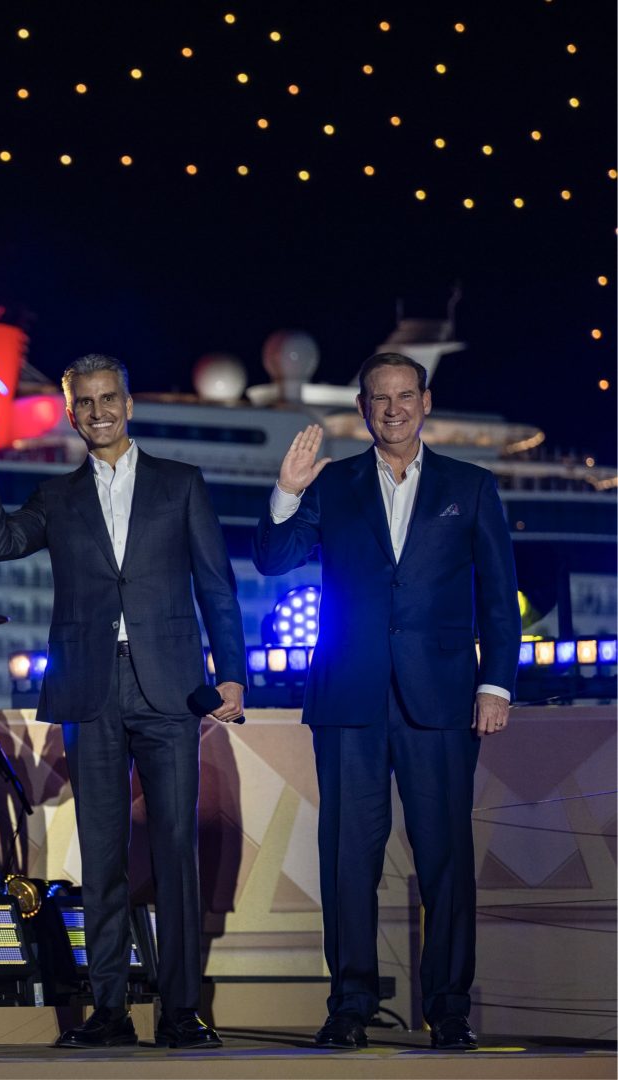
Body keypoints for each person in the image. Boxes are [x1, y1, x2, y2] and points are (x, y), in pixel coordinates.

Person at [0, 355, 246, 1051]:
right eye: (83, 402)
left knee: (175, 851)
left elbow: (217, 584)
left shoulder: (182, 484)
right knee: (104, 856)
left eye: (107, 397)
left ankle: (181, 1011)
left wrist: (230, 672)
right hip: (90, 689)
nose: (97, 411)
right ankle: (109, 1009)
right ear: (70, 411)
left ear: (129, 402)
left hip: (171, 686)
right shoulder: (57, 497)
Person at [253, 353, 517, 1052]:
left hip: (443, 701)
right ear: (364, 408)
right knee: (346, 858)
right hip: (350, 699)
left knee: (446, 861)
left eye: (405, 396)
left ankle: (450, 1009)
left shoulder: (473, 486)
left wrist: (496, 685)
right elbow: (272, 561)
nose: (393, 409)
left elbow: (498, 597)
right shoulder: (331, 484)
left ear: (425, 402)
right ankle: (350, 1006)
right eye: (380, 399)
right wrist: (284, 491)